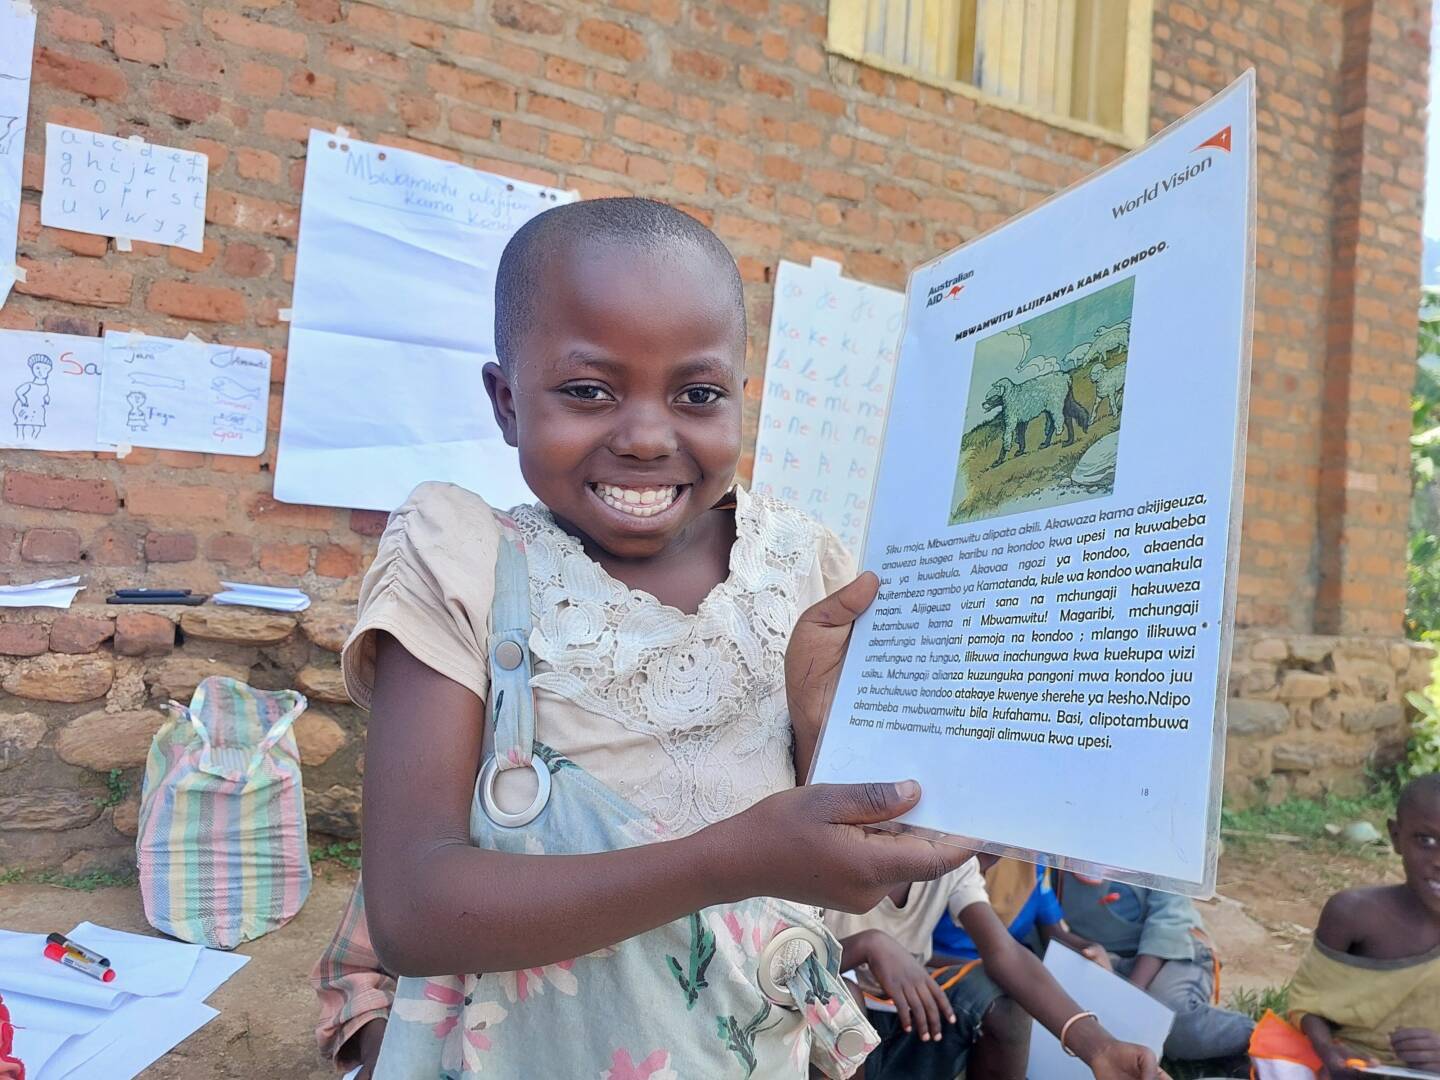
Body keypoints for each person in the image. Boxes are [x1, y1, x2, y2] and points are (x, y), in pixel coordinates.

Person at [321, 197, 1163, 1079]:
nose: (647, 437)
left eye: (697, 395)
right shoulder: (465, 561)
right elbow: (414, 911)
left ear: (739, 398)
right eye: (587, 391)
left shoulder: (806, 570)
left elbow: (861, 870)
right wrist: (731, 860)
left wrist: (826, 734)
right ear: (505, 402)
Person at [825, 860, 1168, 1079]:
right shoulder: (831, 848)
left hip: (912, 1009)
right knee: (842, 1001)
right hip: (826, 1019)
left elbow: (1004, 952)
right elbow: (792, 958)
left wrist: (1100, 1048)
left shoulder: (951, 859)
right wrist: (869, 945)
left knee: (1004, 1001)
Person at [1290, 773, 1440, 1078]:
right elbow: (1308, 1003)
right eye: (1426, 840)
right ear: (1396, 836)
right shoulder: (1353, 914)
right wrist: (1327, 1049)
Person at [1058, 872, 1255, 1062]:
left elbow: (1169, 920)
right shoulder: (1055, 858)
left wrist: (1128, 998)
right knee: (1066, 1015)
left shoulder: (1160, 855)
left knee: (1172, 1021)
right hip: (1102, 958)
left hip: (1173, 952)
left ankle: (1255, 1037)